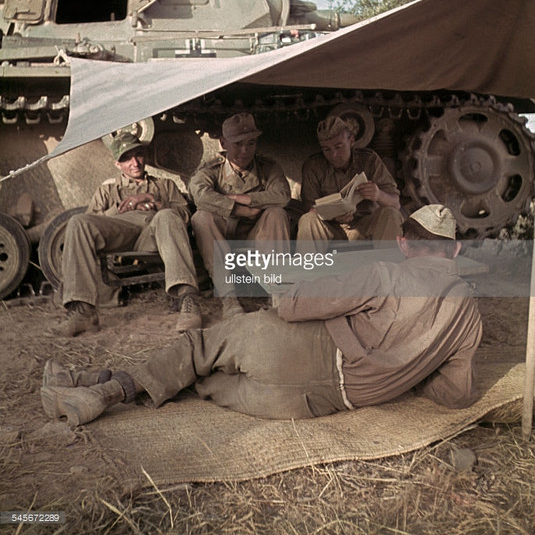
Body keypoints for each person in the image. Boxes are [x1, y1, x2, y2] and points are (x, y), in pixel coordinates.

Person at [40, 205, 482, 427]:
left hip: (298, 353)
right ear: (457, 250)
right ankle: (84, 386)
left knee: (199, 349)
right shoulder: (470, 315)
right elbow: (456, 395)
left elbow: (290, 306)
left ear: (404, 244)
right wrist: (412, 369)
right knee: (200, 380)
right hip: (313, 405)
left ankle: (104, 391)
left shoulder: (385, 273)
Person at [56, 133, 201, 336]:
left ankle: (188, 299)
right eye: (126, 158)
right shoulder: (107, 190)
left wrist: (155, 202)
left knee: (168, 215)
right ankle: (83, 312)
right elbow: (91, 224)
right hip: (119, 234)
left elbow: (185, 215)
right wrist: (119, 209)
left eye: (138, 155)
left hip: (153, 233)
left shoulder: (164, 185)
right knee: (77, 222)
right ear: (117, 164)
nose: (135, 163)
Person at [189, 113, 291, 317]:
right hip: (222, 236)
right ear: (223, 143)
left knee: (277, 213)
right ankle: (229, 299)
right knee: (201, 217)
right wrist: (238, 209)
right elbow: (200, 195)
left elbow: (283, 196)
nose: (245, 151)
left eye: (251, 143)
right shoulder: (212, 169)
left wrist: (246, 199)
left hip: (257, 235)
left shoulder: (268, 168)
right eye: (238, 144)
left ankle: (280, 294)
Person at [297, 116, 403, 246]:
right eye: (327, 149)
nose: (334, 154)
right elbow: (309, 209)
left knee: (390, 213)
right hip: (330, 228)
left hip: (364, 225)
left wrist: (379, 195)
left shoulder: (369, 160)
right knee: (308, 220)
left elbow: (395, 204)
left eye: (339, 147)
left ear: (351, 140)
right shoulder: (313, 166)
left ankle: (390, 266)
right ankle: (308, 266)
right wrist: (333, 215)